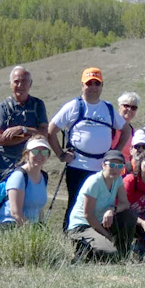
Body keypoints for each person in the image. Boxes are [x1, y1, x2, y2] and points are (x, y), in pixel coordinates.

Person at [48, 67, 128, 231]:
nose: (93, 87)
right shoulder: (73, 106)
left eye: (96, 83)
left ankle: (98, 239)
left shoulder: (108, 108)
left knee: (100, 206)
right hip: (78, 167)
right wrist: (61, 155)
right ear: (82, 85)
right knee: (76, 205)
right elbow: (51, 131)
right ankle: (70, 239)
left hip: (102, 170)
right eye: (89, 83)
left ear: (102, 86)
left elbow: (125, 130)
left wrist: (115, 153)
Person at [66, 150, 136, 261]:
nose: (116, 169)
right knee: (109, 253)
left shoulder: (117, 179)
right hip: (82, 226)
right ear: (103, 165)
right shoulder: (94, 182)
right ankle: (83, 250)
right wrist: (106, 235)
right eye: (112, 165)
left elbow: (125, 204)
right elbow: (88, 215)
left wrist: (112, 209)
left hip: (101, 223)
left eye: (119, 166)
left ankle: (123, 254)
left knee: (129, 215)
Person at [0, 65, 48, 185]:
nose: (20, 85)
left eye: (24, 81)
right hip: (5, 165)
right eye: (16, 82)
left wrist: (22, 129)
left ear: (30, 84)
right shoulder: (3, 108)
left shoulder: (38, 105)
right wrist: (28, 136)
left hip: (30, 165)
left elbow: (44, 133)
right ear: (11, 84)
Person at [0, 137, 53, 228]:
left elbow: (39, 210)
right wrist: (32, 233)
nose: (40, 155)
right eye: (35, 152)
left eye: (44, 152)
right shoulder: (19, 176)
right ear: (27, 154)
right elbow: (15, 213)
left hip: (29, 227)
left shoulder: (43, 176)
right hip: (11, 226)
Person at [114, 92, 141, 172]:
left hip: (124, 172)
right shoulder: (111, 127)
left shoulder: (134, 133)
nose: (129, 109)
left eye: (134, 107)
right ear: (119, 107)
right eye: (126, 106)